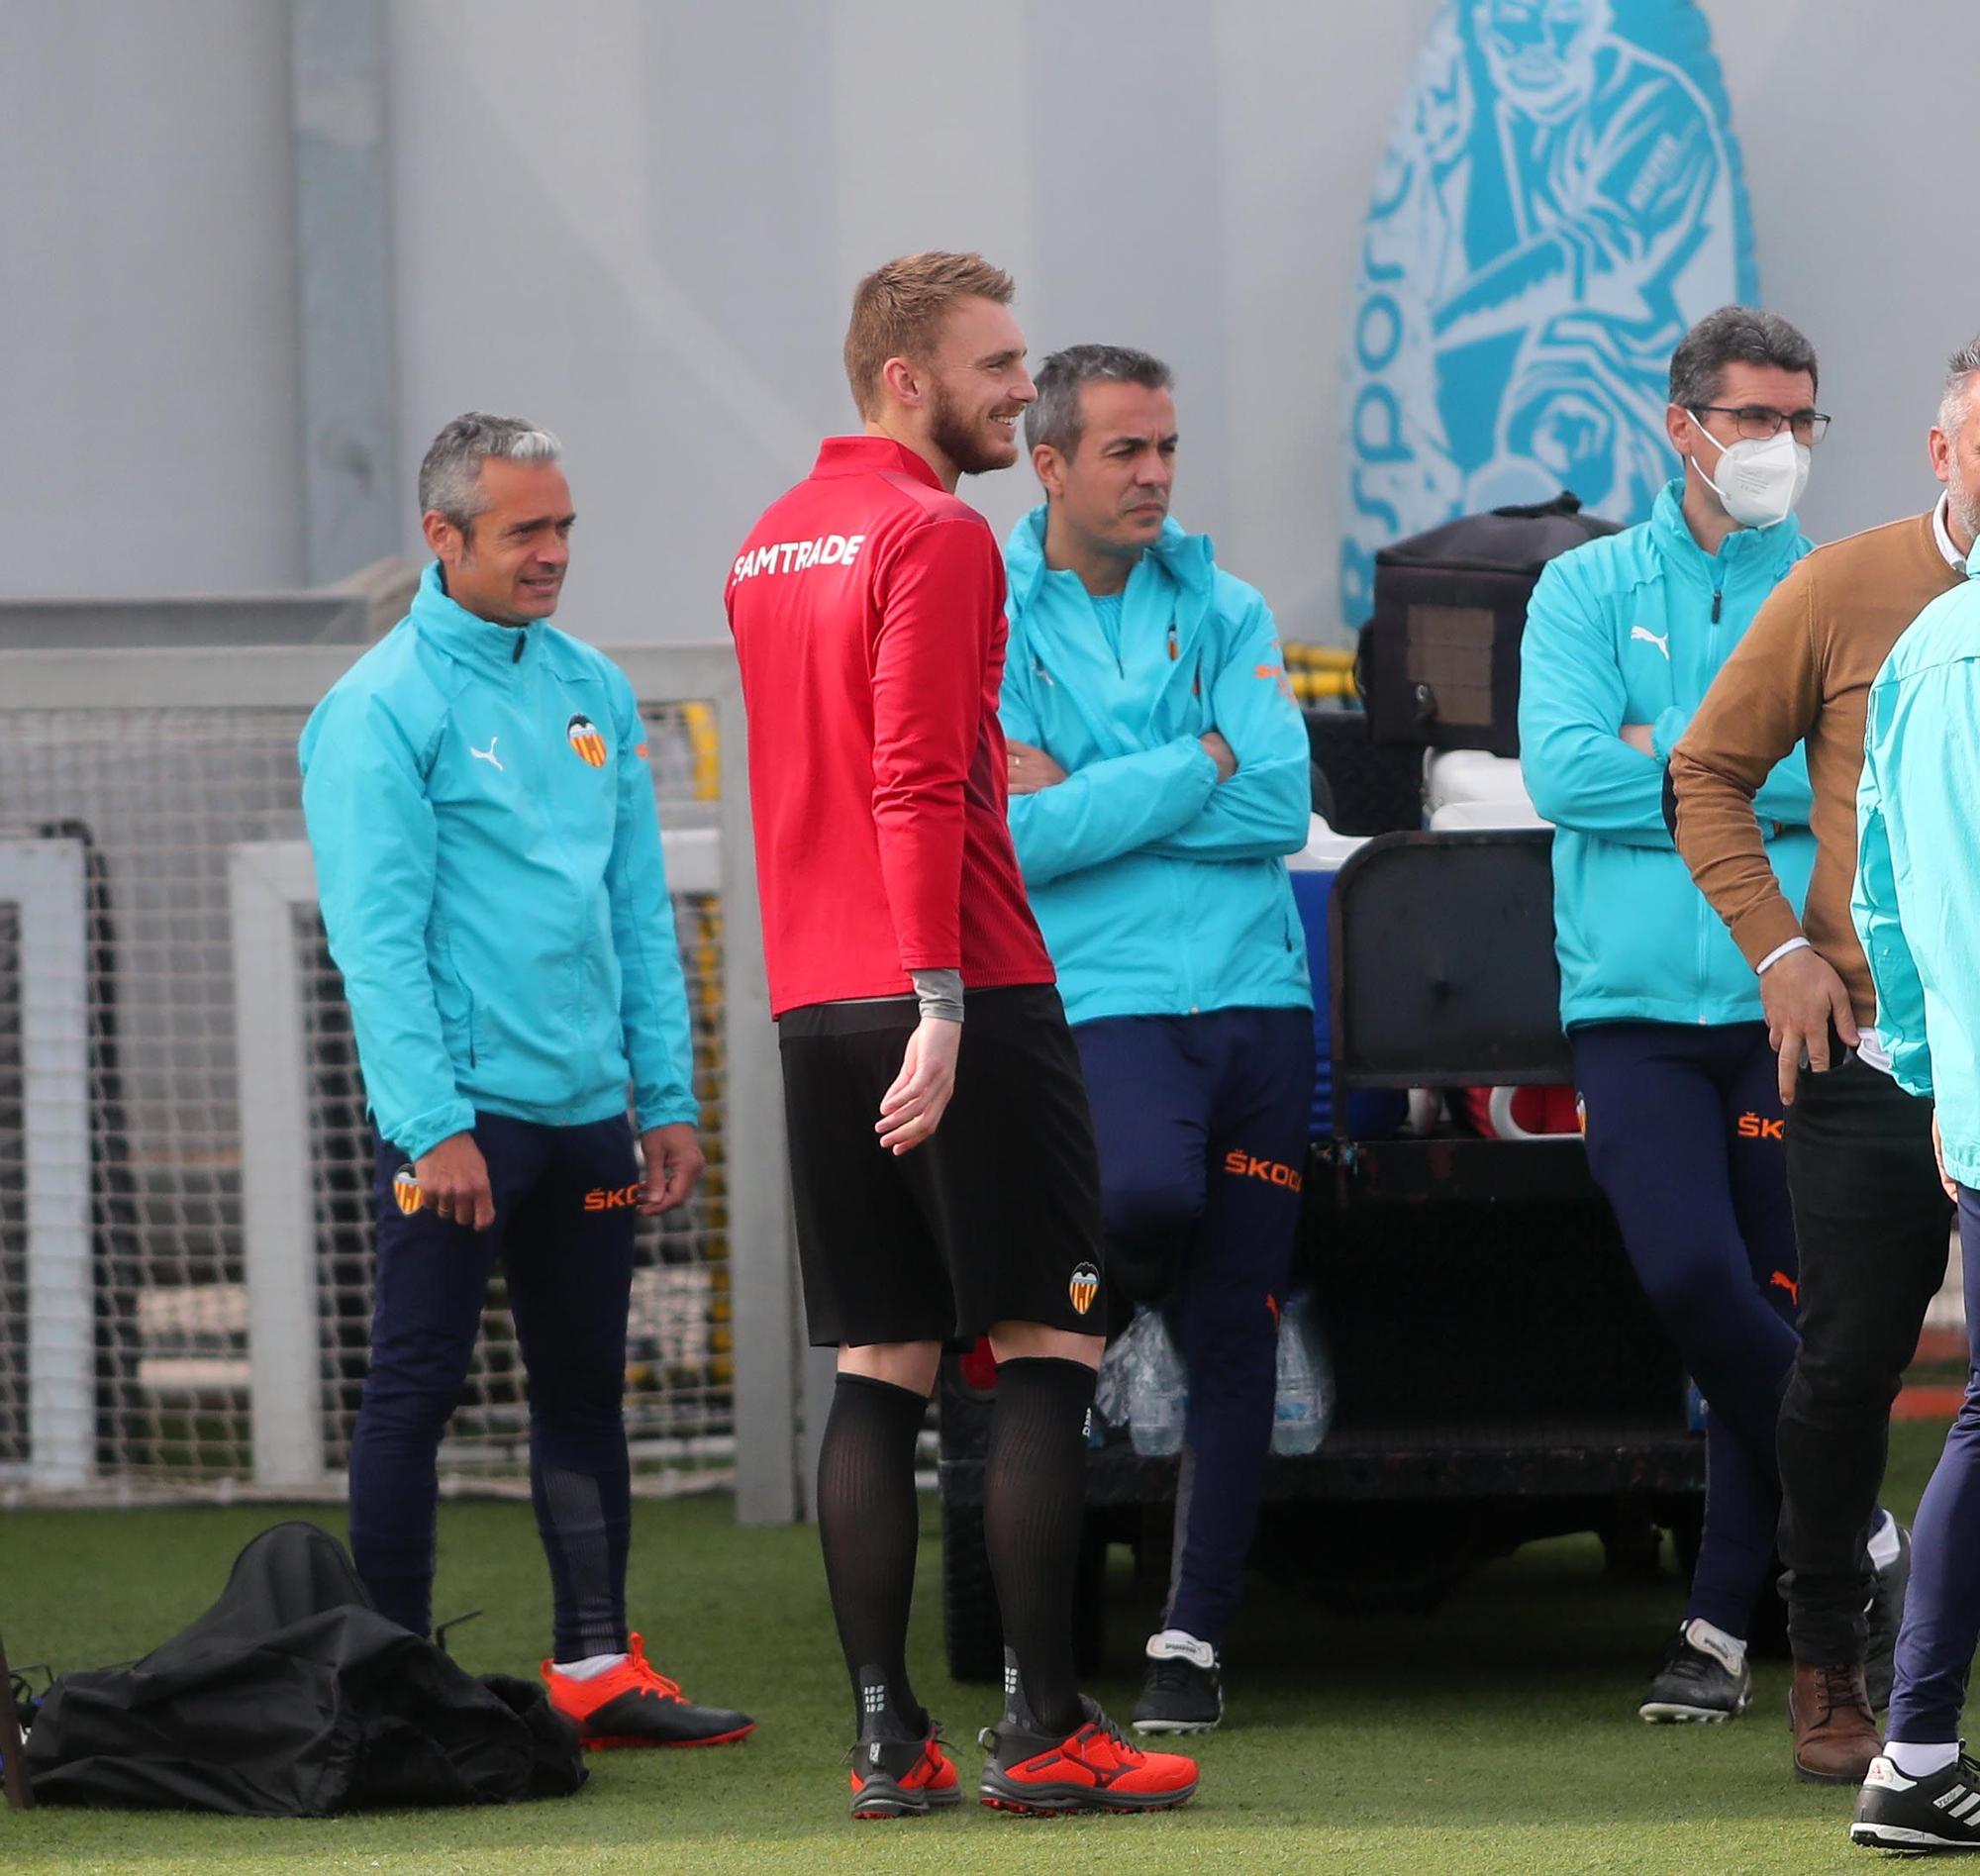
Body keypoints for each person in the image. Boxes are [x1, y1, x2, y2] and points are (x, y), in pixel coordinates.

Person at [724, 254, 1197, 1820]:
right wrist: (940, 1000)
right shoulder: (932, 531)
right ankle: (1047, 1729)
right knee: (1048, 1345)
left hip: (813, 1001)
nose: (1022, 390)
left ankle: (887, 1741)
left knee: (881, 1361)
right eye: (999, 369)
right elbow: (922, 780)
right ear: (904, 379)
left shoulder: (767, 543)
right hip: (962, 994)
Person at [299, 413, 753, 1751]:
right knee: (417, 1388)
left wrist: (661, 1097)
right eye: (524, 532)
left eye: (564, 528)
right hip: (464, 1125)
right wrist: (432, 1124)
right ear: (442, 539)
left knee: (584, 1391)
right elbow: (373, 938)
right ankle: (387, 1681)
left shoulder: (593, 689)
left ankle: (597, 1667)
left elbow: (634, 913)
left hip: (588, 1119)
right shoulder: (377, 708)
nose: (554, 553)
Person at [996, 345, 1313, 1734]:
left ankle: (1191, 1639)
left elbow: (1281, 807)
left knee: (1238, 1328)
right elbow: (1012, 840)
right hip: (1103, 1003)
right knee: (1142, 1203)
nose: (1156, 475)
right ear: (1047, 462)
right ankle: (1113, 1340)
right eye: (1126, 451)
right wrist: (1200, 761)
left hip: (1257, 997)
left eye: (1167, 447)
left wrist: (1098, 792)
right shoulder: (986, 616)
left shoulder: (1229, 603)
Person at [1671, 340, 1975, 1783]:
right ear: (1939, 451)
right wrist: (1779, 952)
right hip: (1869, 1047)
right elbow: (1707, 769)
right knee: (1847, 1365)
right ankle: (1829, 1665)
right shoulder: (1847, 586)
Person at [1520, 306, 1828, 1727]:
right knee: (1694, 1284)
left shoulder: (1831, 586)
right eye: (1756, 418)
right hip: (1636, 1007)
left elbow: (1848, 792)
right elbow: (1567, 773)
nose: (1780, 447)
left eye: (1801, 420)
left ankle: (1719, 1627)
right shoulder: (1582, 589)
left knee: (1767, 1305)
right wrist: (1738, 762)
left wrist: (1680, 756)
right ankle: (1868, 1536)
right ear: (1682, 423)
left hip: (1794, 991)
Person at [1846, 378, 1980, 1850]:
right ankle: (1916, 1748)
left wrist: (1943, 1075)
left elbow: (1882, 901)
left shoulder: (1924, 647)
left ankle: (1918, 1750)